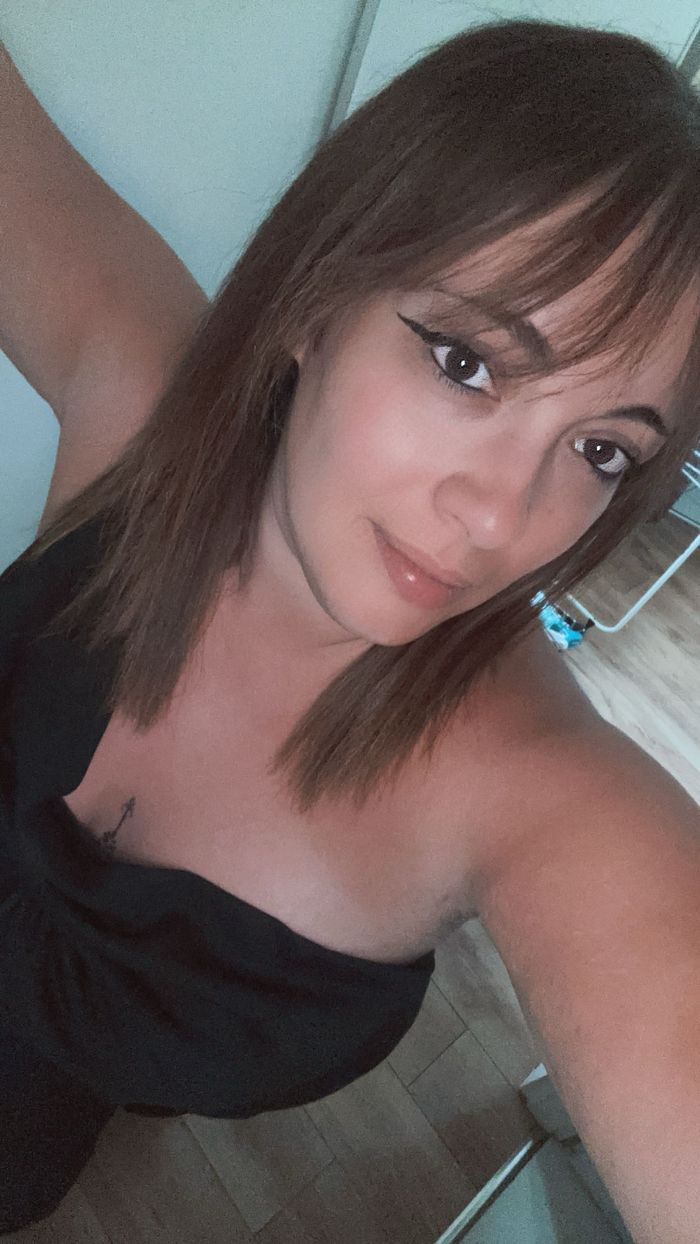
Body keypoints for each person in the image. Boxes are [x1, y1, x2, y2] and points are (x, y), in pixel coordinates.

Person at [0, 17, 698, 1241]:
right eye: (467, 362)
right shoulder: (144, 413)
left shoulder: (541, 794)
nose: (498, 515)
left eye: (599, 451)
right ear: (318, 297)